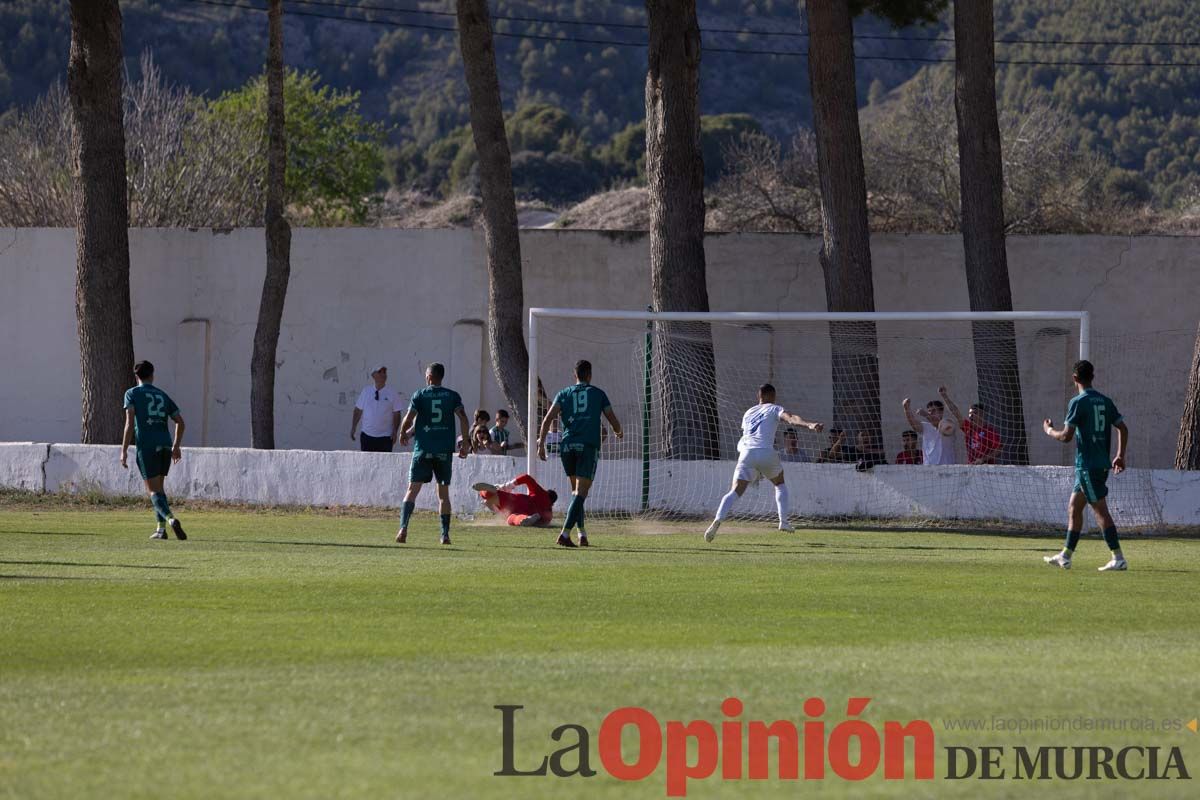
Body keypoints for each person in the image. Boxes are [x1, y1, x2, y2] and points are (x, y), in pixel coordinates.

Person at [704, 383, 824, 541]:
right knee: (779, 483)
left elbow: (746, 436)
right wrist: (809, 424)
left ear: (758, 396)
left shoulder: (748, 412)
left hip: (746, 453)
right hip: (766, 452)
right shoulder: (775, 408)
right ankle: (784, 522)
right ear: (773, 396)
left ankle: (717, 520)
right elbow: (792, 420)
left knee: (734, 491)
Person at [1042, 360, 1129, 572]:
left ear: (1074, 379)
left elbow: (1066, 436)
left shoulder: (1078, 402)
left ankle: (1118, 557)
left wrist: (1049, 431)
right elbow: (1123, 428)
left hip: (1087, 467)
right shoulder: (1105, 401)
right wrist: (1119, 456)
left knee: (1100, 511)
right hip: (1099, 464)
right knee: (1074, 507)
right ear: (1093, 376)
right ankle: (1066, 556)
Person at [537, 359, 623, 548]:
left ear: (574, 375)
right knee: (581, 493)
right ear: (590, 375)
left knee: (577, 493)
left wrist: (541, 444)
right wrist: (618, 431)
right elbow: (612, 418)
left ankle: (582, 534)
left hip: (567, 447)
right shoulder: (598, 394)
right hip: (587, 446)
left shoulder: (563, 393)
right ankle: (565, 534)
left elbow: (547, 419)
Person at [396, 363, 470, 545]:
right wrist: (466, 443)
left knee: (412, 490)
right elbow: (463, 418)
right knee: (443, 494)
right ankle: (444, 535)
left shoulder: (420, 395)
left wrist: (402, 432)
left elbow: (410, 417)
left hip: (423, 449)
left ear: (428, 376)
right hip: (444, 450)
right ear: (441, 377)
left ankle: (403, 528)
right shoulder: (452, 396)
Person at [120, 360, 188, 540]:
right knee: (159, 489)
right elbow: (180, 422)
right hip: (165, 444)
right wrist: (176, 446)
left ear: (136, 377)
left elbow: (129, 423)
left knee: (153, 491)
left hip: (147, 445)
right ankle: (161, 530)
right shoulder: (163, 395)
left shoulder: (131, 394)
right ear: (152, 375)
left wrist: (124, 450)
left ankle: (171, 519)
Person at [939, 386, 1001, 465]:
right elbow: (956, 412)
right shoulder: (968, 428)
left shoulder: (990, 431)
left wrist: (983, 459)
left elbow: (998, 450)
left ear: (982, 414)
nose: (971, 416)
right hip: (972, 467)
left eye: (974, 413)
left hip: (988, 468)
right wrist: (944, 396)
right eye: (969, 414)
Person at [350, 365, 403, 452]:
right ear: (373, 375)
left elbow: (397, 413)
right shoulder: (366, 391)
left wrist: (395, 431)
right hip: (367, 436)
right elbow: (358, 410)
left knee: (385, 464)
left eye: (384, 372)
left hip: (385, 437)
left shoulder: (392, 392)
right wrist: (353, 427)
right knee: (367, 463)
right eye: (379, 372)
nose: (383, 374)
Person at [473, 474, 559, 527]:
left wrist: (509, 485)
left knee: (488, 494)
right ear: (552, 504)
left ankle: (489, 489)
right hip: (524, 512)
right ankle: (524, 519)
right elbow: (543, 523)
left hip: (516, 501)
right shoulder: (548, 514)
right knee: (512, 519)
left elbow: (526, 477)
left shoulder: (542, 493)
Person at [902, 396, 957, 465]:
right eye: (929, 411)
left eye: (933, 411)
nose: (930, 413)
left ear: (941, 412)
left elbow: (938, 424)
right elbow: (914, 424)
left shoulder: (948, 423)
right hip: (929, 468)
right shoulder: (926, 426)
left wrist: (925, 414)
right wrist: (906, 409)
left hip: (948, 467)